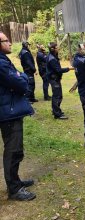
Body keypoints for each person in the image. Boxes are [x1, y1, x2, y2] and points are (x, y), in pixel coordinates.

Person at [0, 31, 36, 201]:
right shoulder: (0, 63)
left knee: (16, 150)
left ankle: (16, 181)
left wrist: (20, 76)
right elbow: (21, 81)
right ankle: (14, 189)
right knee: (13, 151)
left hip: (10, 109)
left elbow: (18, 76)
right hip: (8, 113)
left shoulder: (4, 60)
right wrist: (21, 77)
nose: (9, 43)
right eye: (5, 40)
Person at [46, 42, 74, 119]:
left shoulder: (52, 56)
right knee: (57, 96)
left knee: (57, 95)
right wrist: (69, 68)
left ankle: (55, 110)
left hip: (54, 78)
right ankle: (57, 114)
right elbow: (58, 70)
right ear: (53, 49)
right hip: (54, 79)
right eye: (57, 47)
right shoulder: (52, 59)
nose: (58, 48)